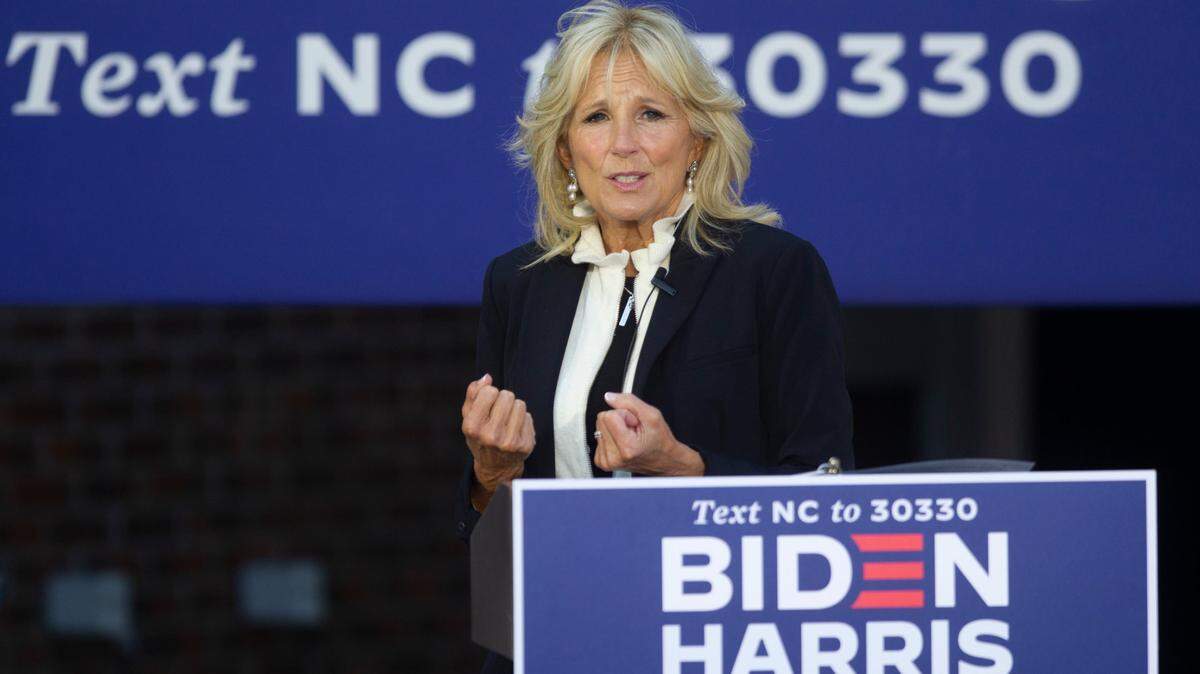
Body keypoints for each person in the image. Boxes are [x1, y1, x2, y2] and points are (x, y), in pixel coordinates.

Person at [456, 1, 853, 668]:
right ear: (565, 149)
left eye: (650, 114)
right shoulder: (519, 284)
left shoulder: (773, 271)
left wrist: (683, 468)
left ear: (696, 138)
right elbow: (489, 544)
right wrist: (492, 474)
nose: (623, 144)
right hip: (558, 638)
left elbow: (825, 491)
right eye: (596, 117)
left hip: (718, 640)